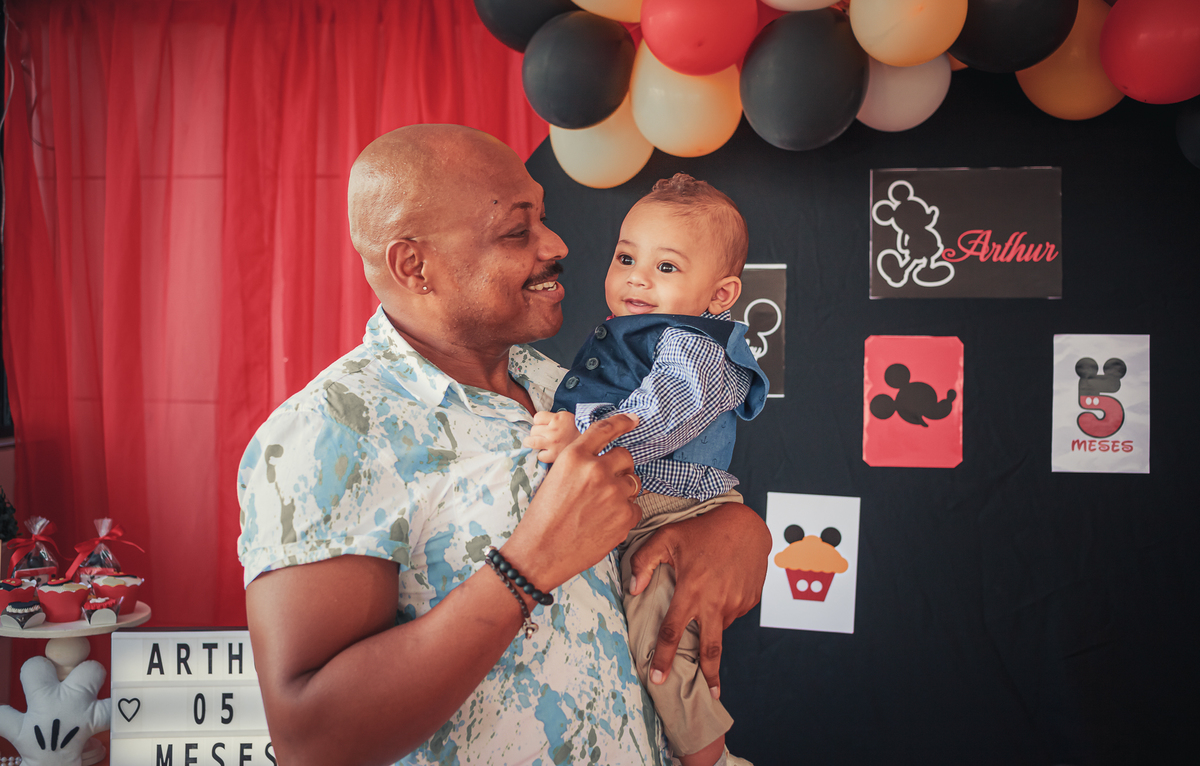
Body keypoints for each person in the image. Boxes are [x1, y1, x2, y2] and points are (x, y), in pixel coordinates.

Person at [236, 124, 772, 766]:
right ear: (415, 265)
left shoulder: (555, 384)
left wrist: (737, 531)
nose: (557, 244)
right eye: (518, 231)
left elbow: (673, 490)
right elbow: (311, 738)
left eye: (543, 217)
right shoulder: (334, 431)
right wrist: (531, 563)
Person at [524, 174, 767, 766]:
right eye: (627, 258)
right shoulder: (637, 335)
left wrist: (584, 438)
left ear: (720, 294)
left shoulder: (697, 346)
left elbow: (662, 416)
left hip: (677, 509)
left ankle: (710, 757)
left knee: (657, 636)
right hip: (643, 504)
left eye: (667, 267)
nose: (637, 277)